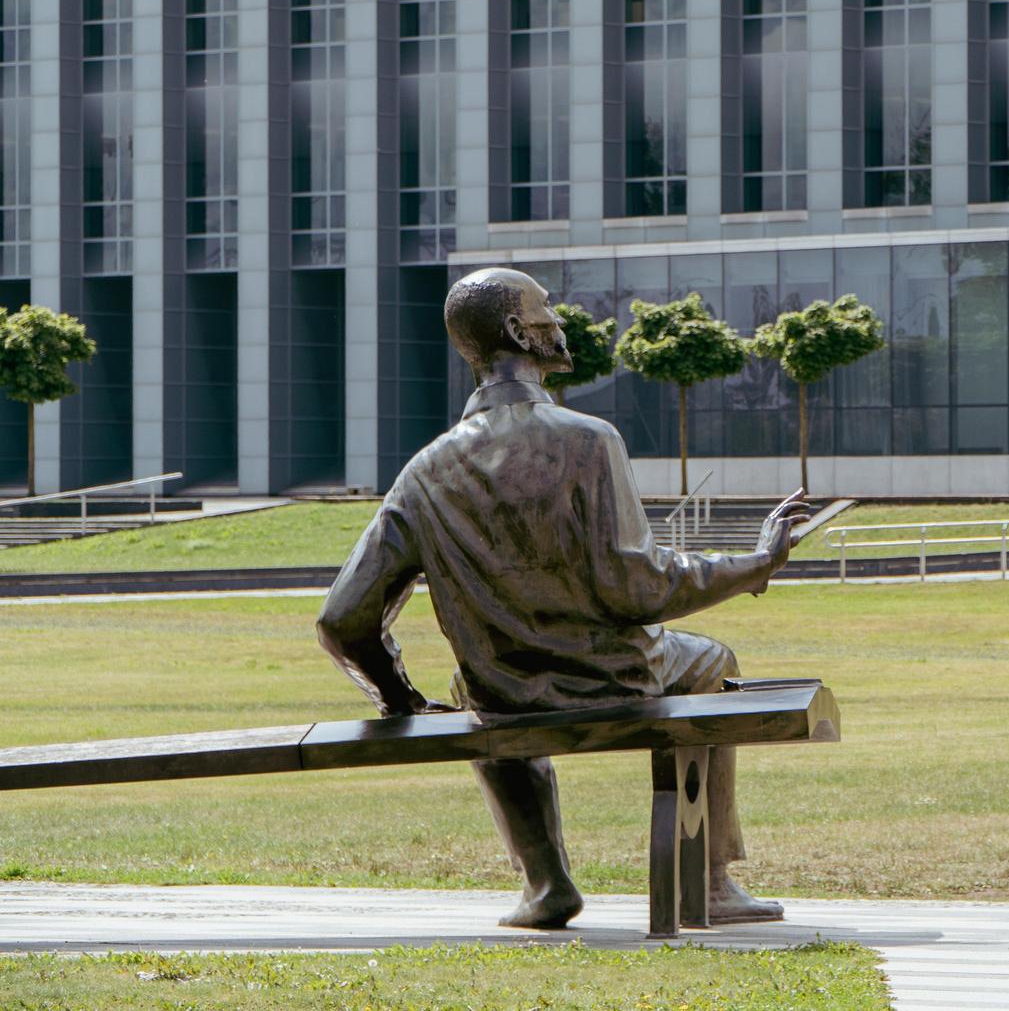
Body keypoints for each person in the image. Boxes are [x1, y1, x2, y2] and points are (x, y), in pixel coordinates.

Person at [316, 266, 806, 929]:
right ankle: (710, 881)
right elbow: (641, 587)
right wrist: (757, 561)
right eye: (548, 309)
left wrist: (397, 696)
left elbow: (343, 618)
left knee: (476, 689)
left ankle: (547, 882)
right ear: (520, 331)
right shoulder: (589, 440)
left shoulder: (424, 473)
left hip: (505, 696)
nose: (562, 319)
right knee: (712, 660)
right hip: (615, 680)